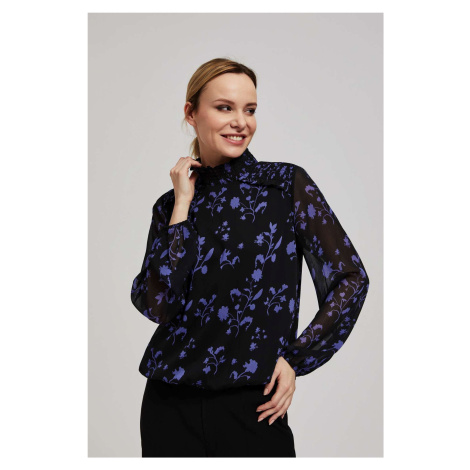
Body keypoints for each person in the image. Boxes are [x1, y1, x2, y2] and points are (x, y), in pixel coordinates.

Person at [130, 58, 370, 457]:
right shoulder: (170, 206)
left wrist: (296, 359)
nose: (241, 122)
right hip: (168, 404)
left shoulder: (285, 186)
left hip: (253, 404)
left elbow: (350, 277)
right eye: (224, 107)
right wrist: (182, 207)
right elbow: (158, 305)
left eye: (250, 109)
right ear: (191, 113)